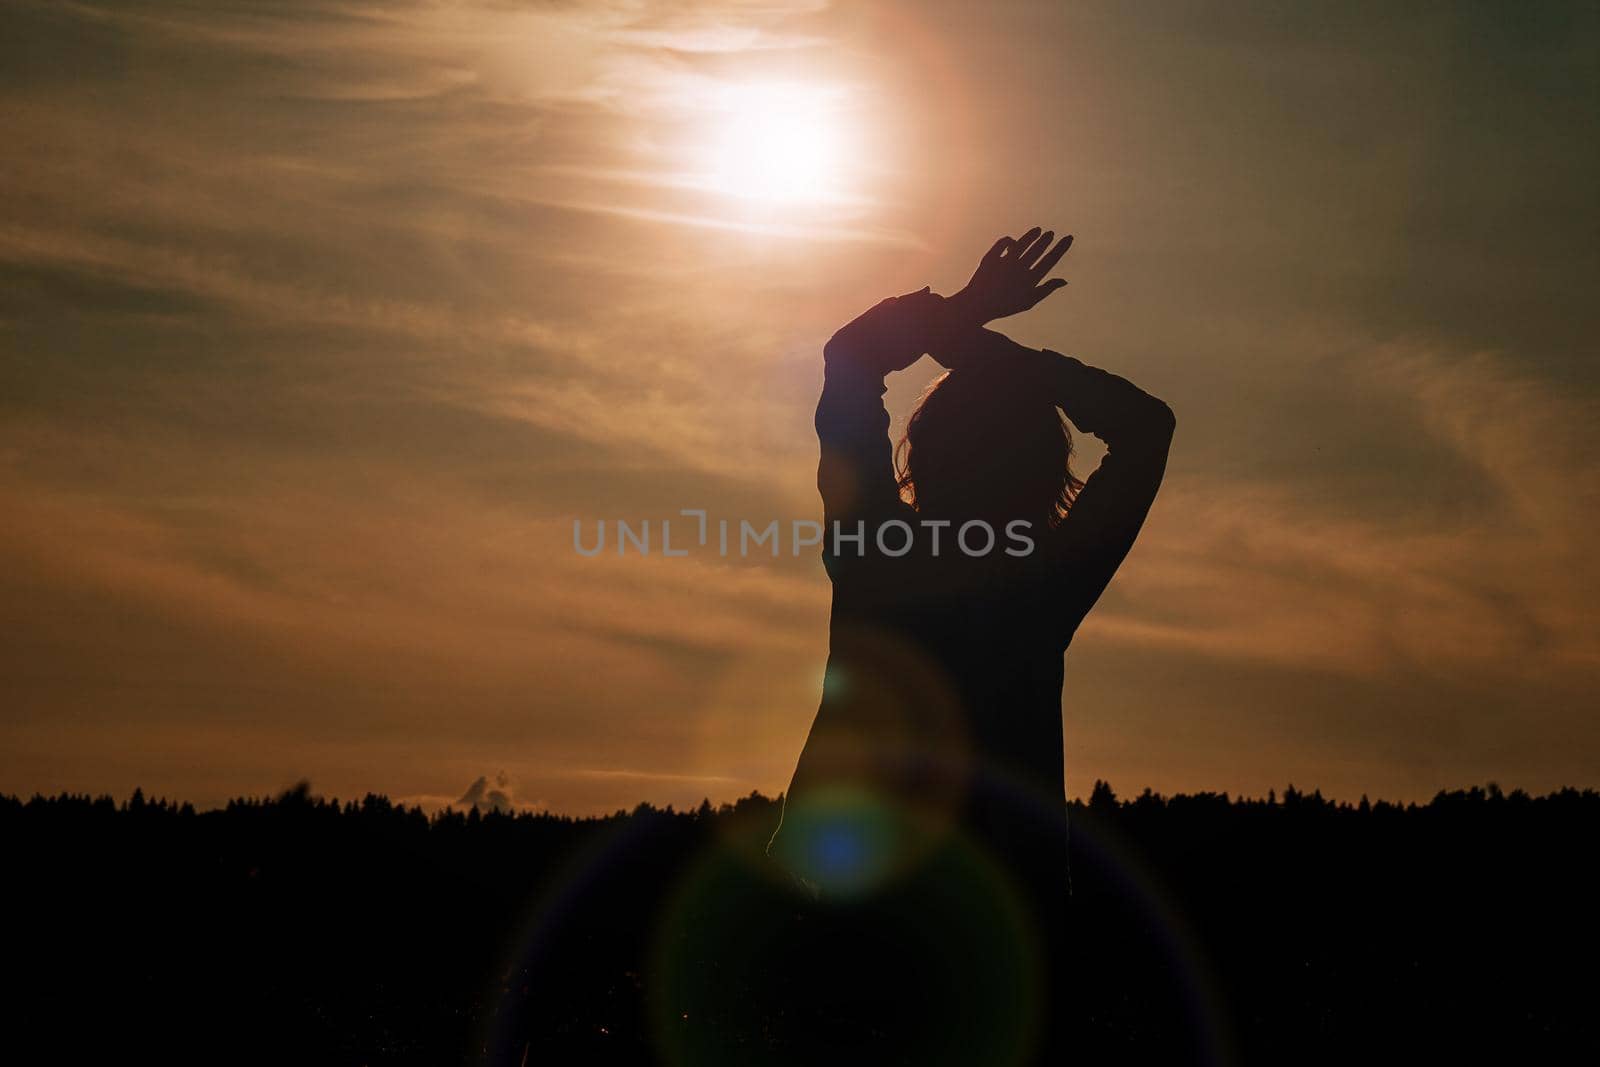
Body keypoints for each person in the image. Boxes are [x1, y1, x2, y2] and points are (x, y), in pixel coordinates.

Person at [765, 227, 1176, 1062]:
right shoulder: (1041, 584)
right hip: (998, 964)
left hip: (833, 937)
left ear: (924, 457)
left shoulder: (877, 552)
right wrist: (1000, 356)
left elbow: (849, 362)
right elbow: (1145, 428)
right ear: (1046, 482)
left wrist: (959, 318)